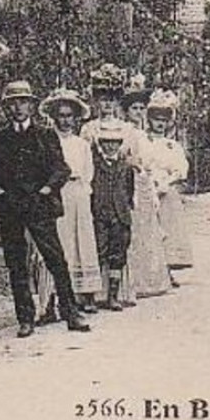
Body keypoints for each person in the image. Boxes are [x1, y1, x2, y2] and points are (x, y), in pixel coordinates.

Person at [0, 80, 91, 338]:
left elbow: (61, 169)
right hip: (12, 208)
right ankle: (25, 318)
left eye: (23, 102)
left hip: (39, 206)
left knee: (55, 258)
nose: (18, 107)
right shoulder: (2, 139)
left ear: (32, 105)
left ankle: (70, 312)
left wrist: (46, 189)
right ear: (6, 108)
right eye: (12, 103)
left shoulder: (45, 135)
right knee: (16, 263)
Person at [41, 88, 103, 314]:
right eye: (61, 115)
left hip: (78, 192)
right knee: (60, 240)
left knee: (82, 239)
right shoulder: (47, 141)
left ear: (76, 118)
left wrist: (84, 192)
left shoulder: (82, 144)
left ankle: (86, 293)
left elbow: (88, 172)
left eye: (69, 116)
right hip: (57, 193)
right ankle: (56, 297)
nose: (65, 120)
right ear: (54, 117)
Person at [123, 80, 170, 300]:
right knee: (132, 227)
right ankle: (133, 280)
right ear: (126, 111)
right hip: (129, 179)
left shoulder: (145, 134)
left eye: (142, 108)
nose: (139, 112)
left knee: (148, 227)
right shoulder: (125, 131)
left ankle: (150, 279)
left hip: (145, 181)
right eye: (134, 108)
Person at [144, 89, 192, 285]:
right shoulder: (143, 141)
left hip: (167, 188)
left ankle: (167, 270)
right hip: (148, 187)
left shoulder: (173, 145)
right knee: (150, 229)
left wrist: (168, 181)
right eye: (156, 118)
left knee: (168, 229)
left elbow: (180, 169)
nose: (160, 123)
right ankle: (150, 271)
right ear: (150, 120)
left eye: (163, 119)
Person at [89, 118, 138, 310]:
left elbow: (129, 190)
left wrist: (124, 210)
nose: (110, 146)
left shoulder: (125, 167)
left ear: (120, 144)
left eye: (114, 142)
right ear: (100, 144)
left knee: (117, 255)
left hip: (120, 216)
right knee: (98, 253)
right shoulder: (95, 165)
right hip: (100, 215)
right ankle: (92, 296)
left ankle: (113, 295)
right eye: (106, 142)